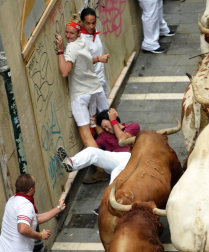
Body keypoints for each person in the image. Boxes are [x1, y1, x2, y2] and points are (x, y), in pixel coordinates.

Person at [56, 14, 108, 148]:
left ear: (79, 32)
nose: (68, 35)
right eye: (66, 32)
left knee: (85, 134)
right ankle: (111, 148)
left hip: (81, 95)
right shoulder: (83, 39)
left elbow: (65, 71)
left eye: (71, 33)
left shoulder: (71, 48)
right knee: (94, 125)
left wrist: (60, 50)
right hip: (93, 92)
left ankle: (102, 166)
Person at [56, 108, 140, 184]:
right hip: (114, 160)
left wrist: (113, 121)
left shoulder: (132, 126)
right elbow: (94, 149)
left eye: (107, 126)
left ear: (113, 120)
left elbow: (123, 140)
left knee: (116, 172)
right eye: (104, 128)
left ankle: (111, 198)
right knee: (91, 151)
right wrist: (91, 124)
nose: (107, 129)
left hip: (131, 158)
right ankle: (72, 163)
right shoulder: (104, 136)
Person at [0, 174, 65, 252]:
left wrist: (58, 208)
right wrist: (40, 235)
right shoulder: (25, 205)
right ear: (31, 190)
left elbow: (34, 219)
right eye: (34, 186)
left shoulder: (12, 200)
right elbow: (23, 229)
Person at [80, 7, 109, 97]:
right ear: (82, 22)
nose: (91, 26)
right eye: (88, 23)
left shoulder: (95, 32)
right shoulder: (81, 40)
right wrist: (99, 59)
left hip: (101, 78)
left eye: (93, 23)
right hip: (91, 84)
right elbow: (82, 63)